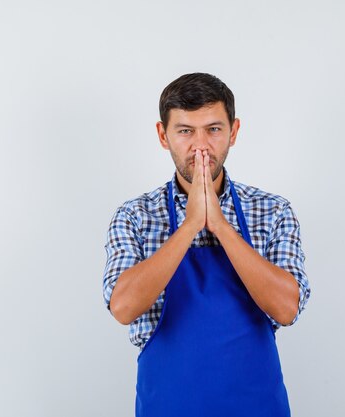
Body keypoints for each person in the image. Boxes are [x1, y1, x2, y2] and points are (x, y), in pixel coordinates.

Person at [102, 72, 310, 417]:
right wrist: (189, 227)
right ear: (163, 135)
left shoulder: (273, 211)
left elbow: (287, 309)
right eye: (185, 131)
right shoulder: (135, 216)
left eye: (213, 129)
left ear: (234, 131)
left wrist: (221, 226)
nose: (200, 145)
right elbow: (122, 308)